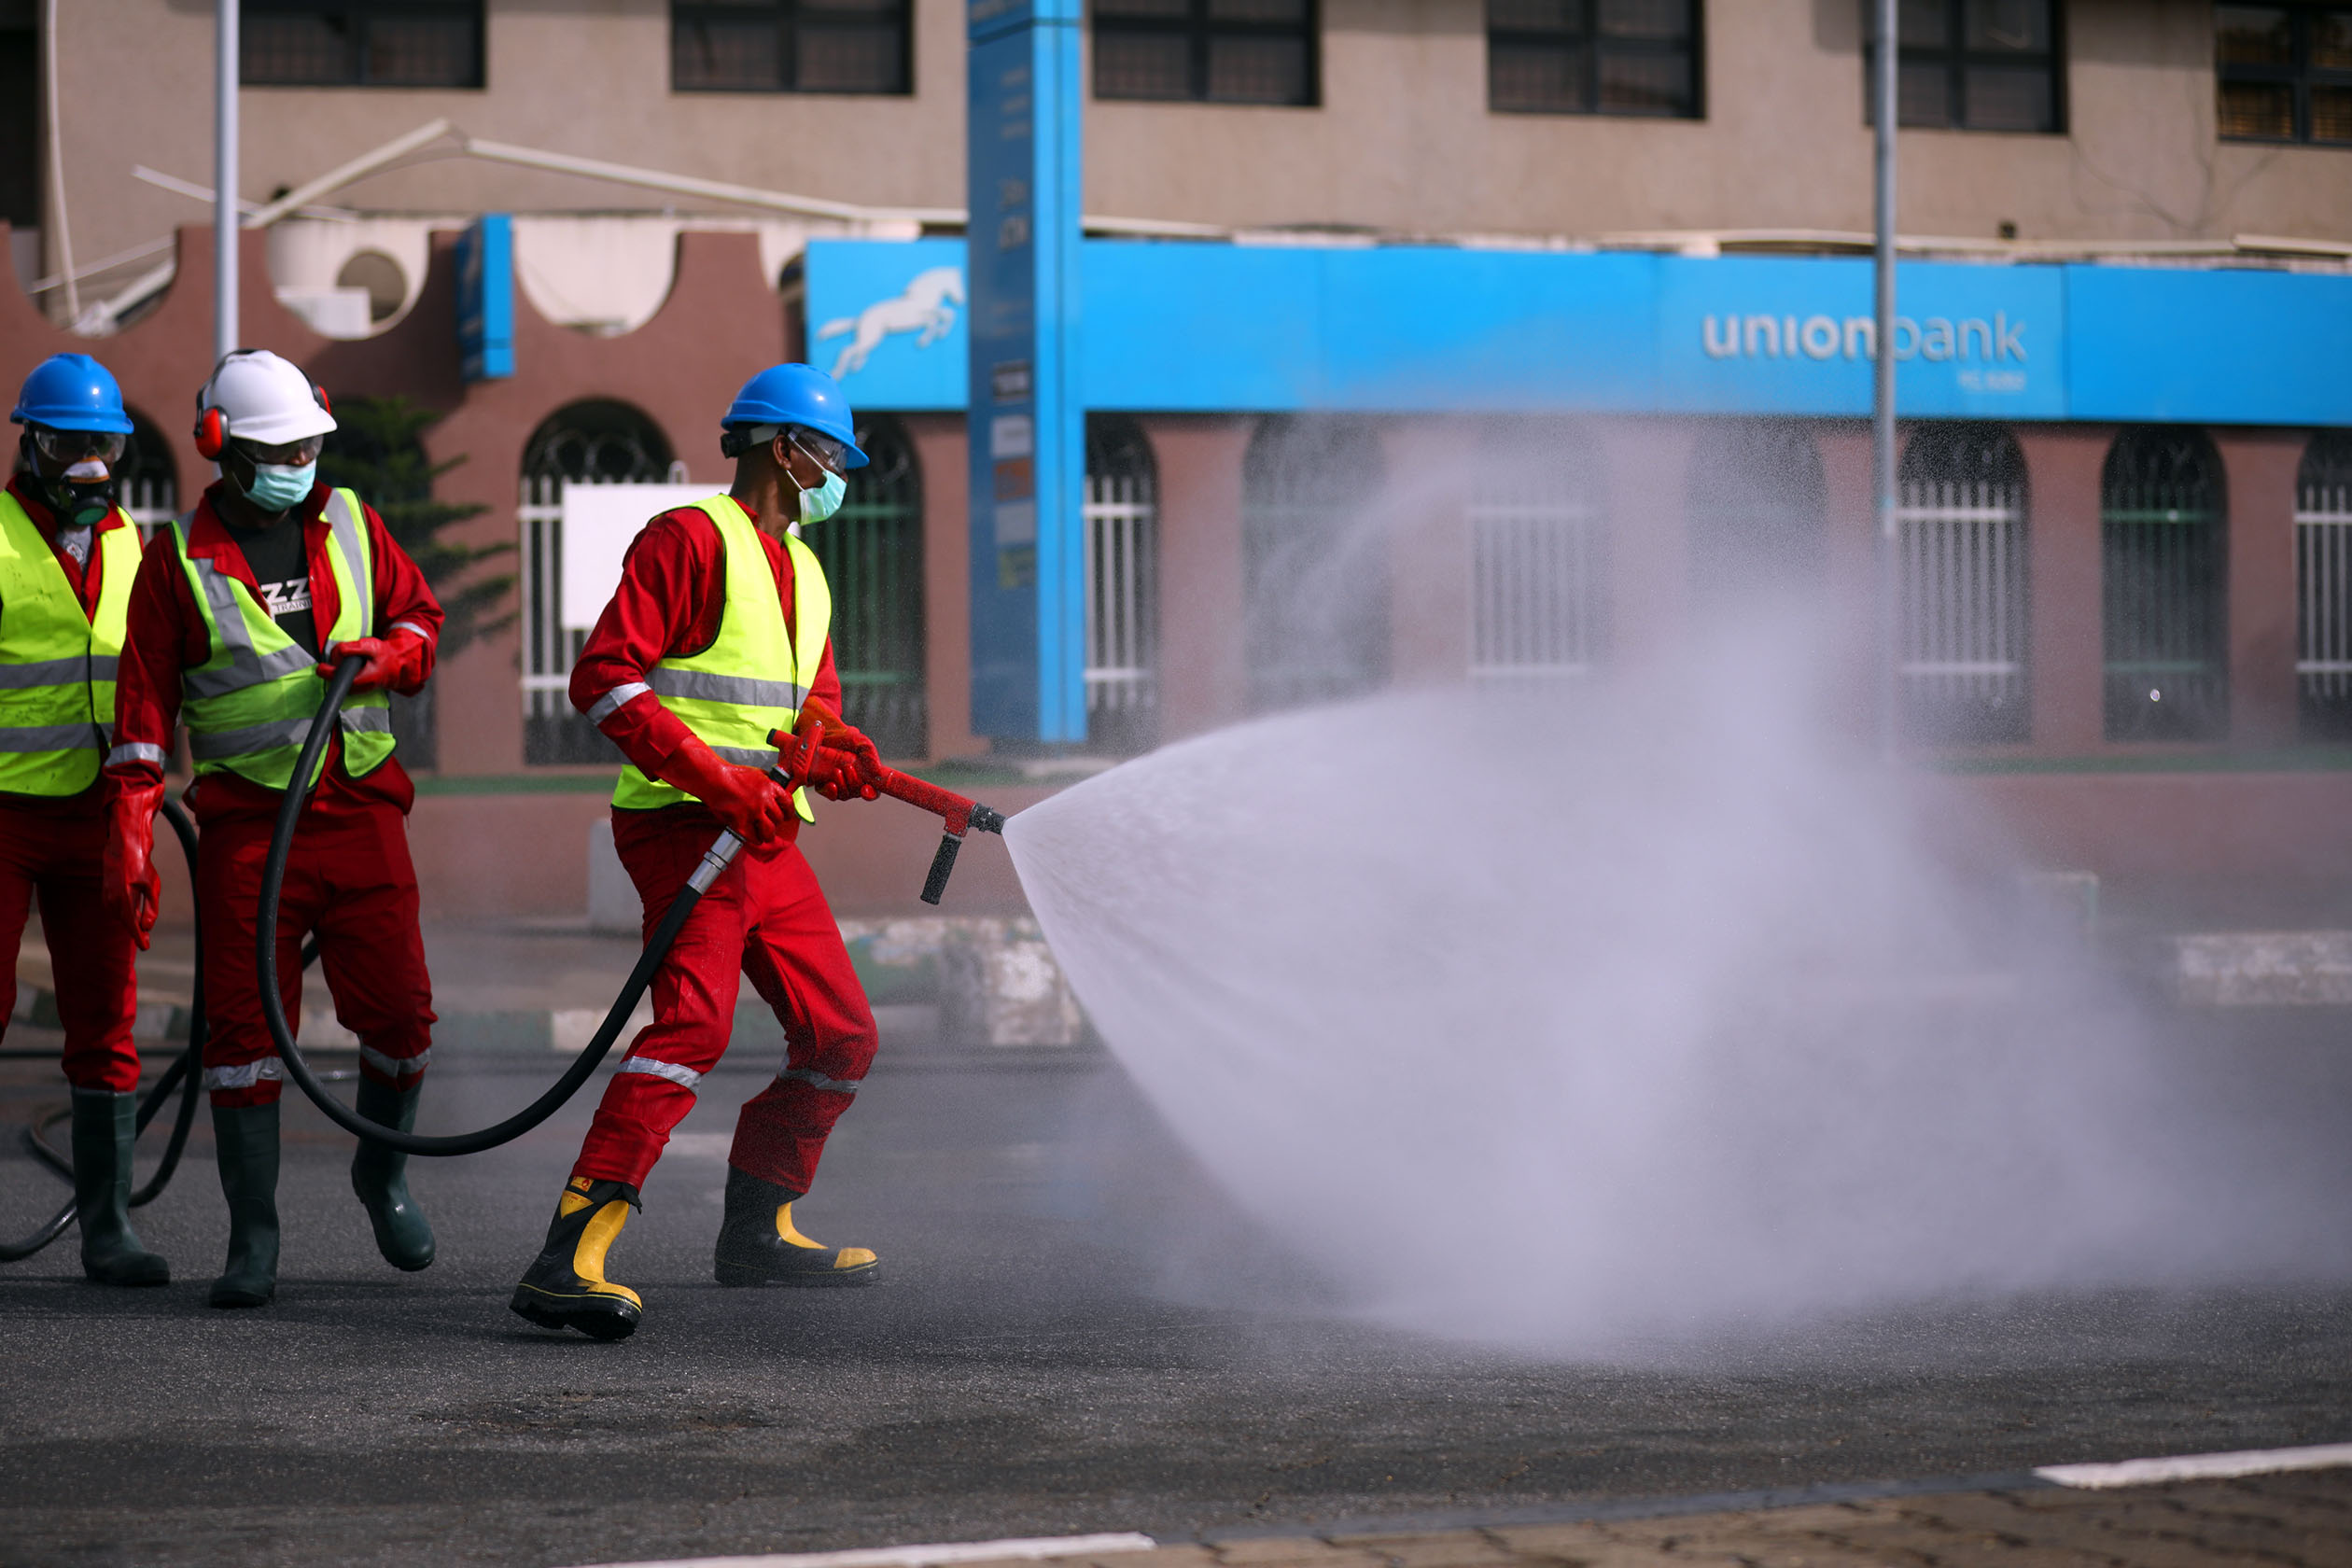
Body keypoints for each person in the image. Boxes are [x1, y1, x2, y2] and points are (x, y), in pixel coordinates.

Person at [511, 363, 889, 1342]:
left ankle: (757, 1231)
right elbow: (602, 678)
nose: (839, 472)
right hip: (686, 829)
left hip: (765, 836)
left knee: (841, 1034)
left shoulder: (803, 566)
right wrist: (715, 780)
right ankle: (569, 1257)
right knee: (693, 1029)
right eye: (831, 453)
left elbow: (811, 708)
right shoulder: (690, 539)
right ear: (784, 449)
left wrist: (837, 753)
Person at [102, 349, 444, 1309]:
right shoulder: (177, 564)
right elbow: (141, 712)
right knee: (245, 1037)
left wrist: (394, 654)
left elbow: (420, 617)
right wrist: (130, 829)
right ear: (221, 449)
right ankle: (254, 1240)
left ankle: (383, 1175)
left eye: (307, 443)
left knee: (405, 1018)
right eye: (278, 449)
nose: (300, 461)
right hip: (250, 830)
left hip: (363, 811)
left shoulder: (349, 520)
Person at [0, 355, 163, 1285]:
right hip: (4, 814)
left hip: (99, 814)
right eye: (71, 446)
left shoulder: (132, 545)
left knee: (106, 1017)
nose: (90, 466)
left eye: (104, 446)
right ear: (33, 446)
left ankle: (107, 1230)